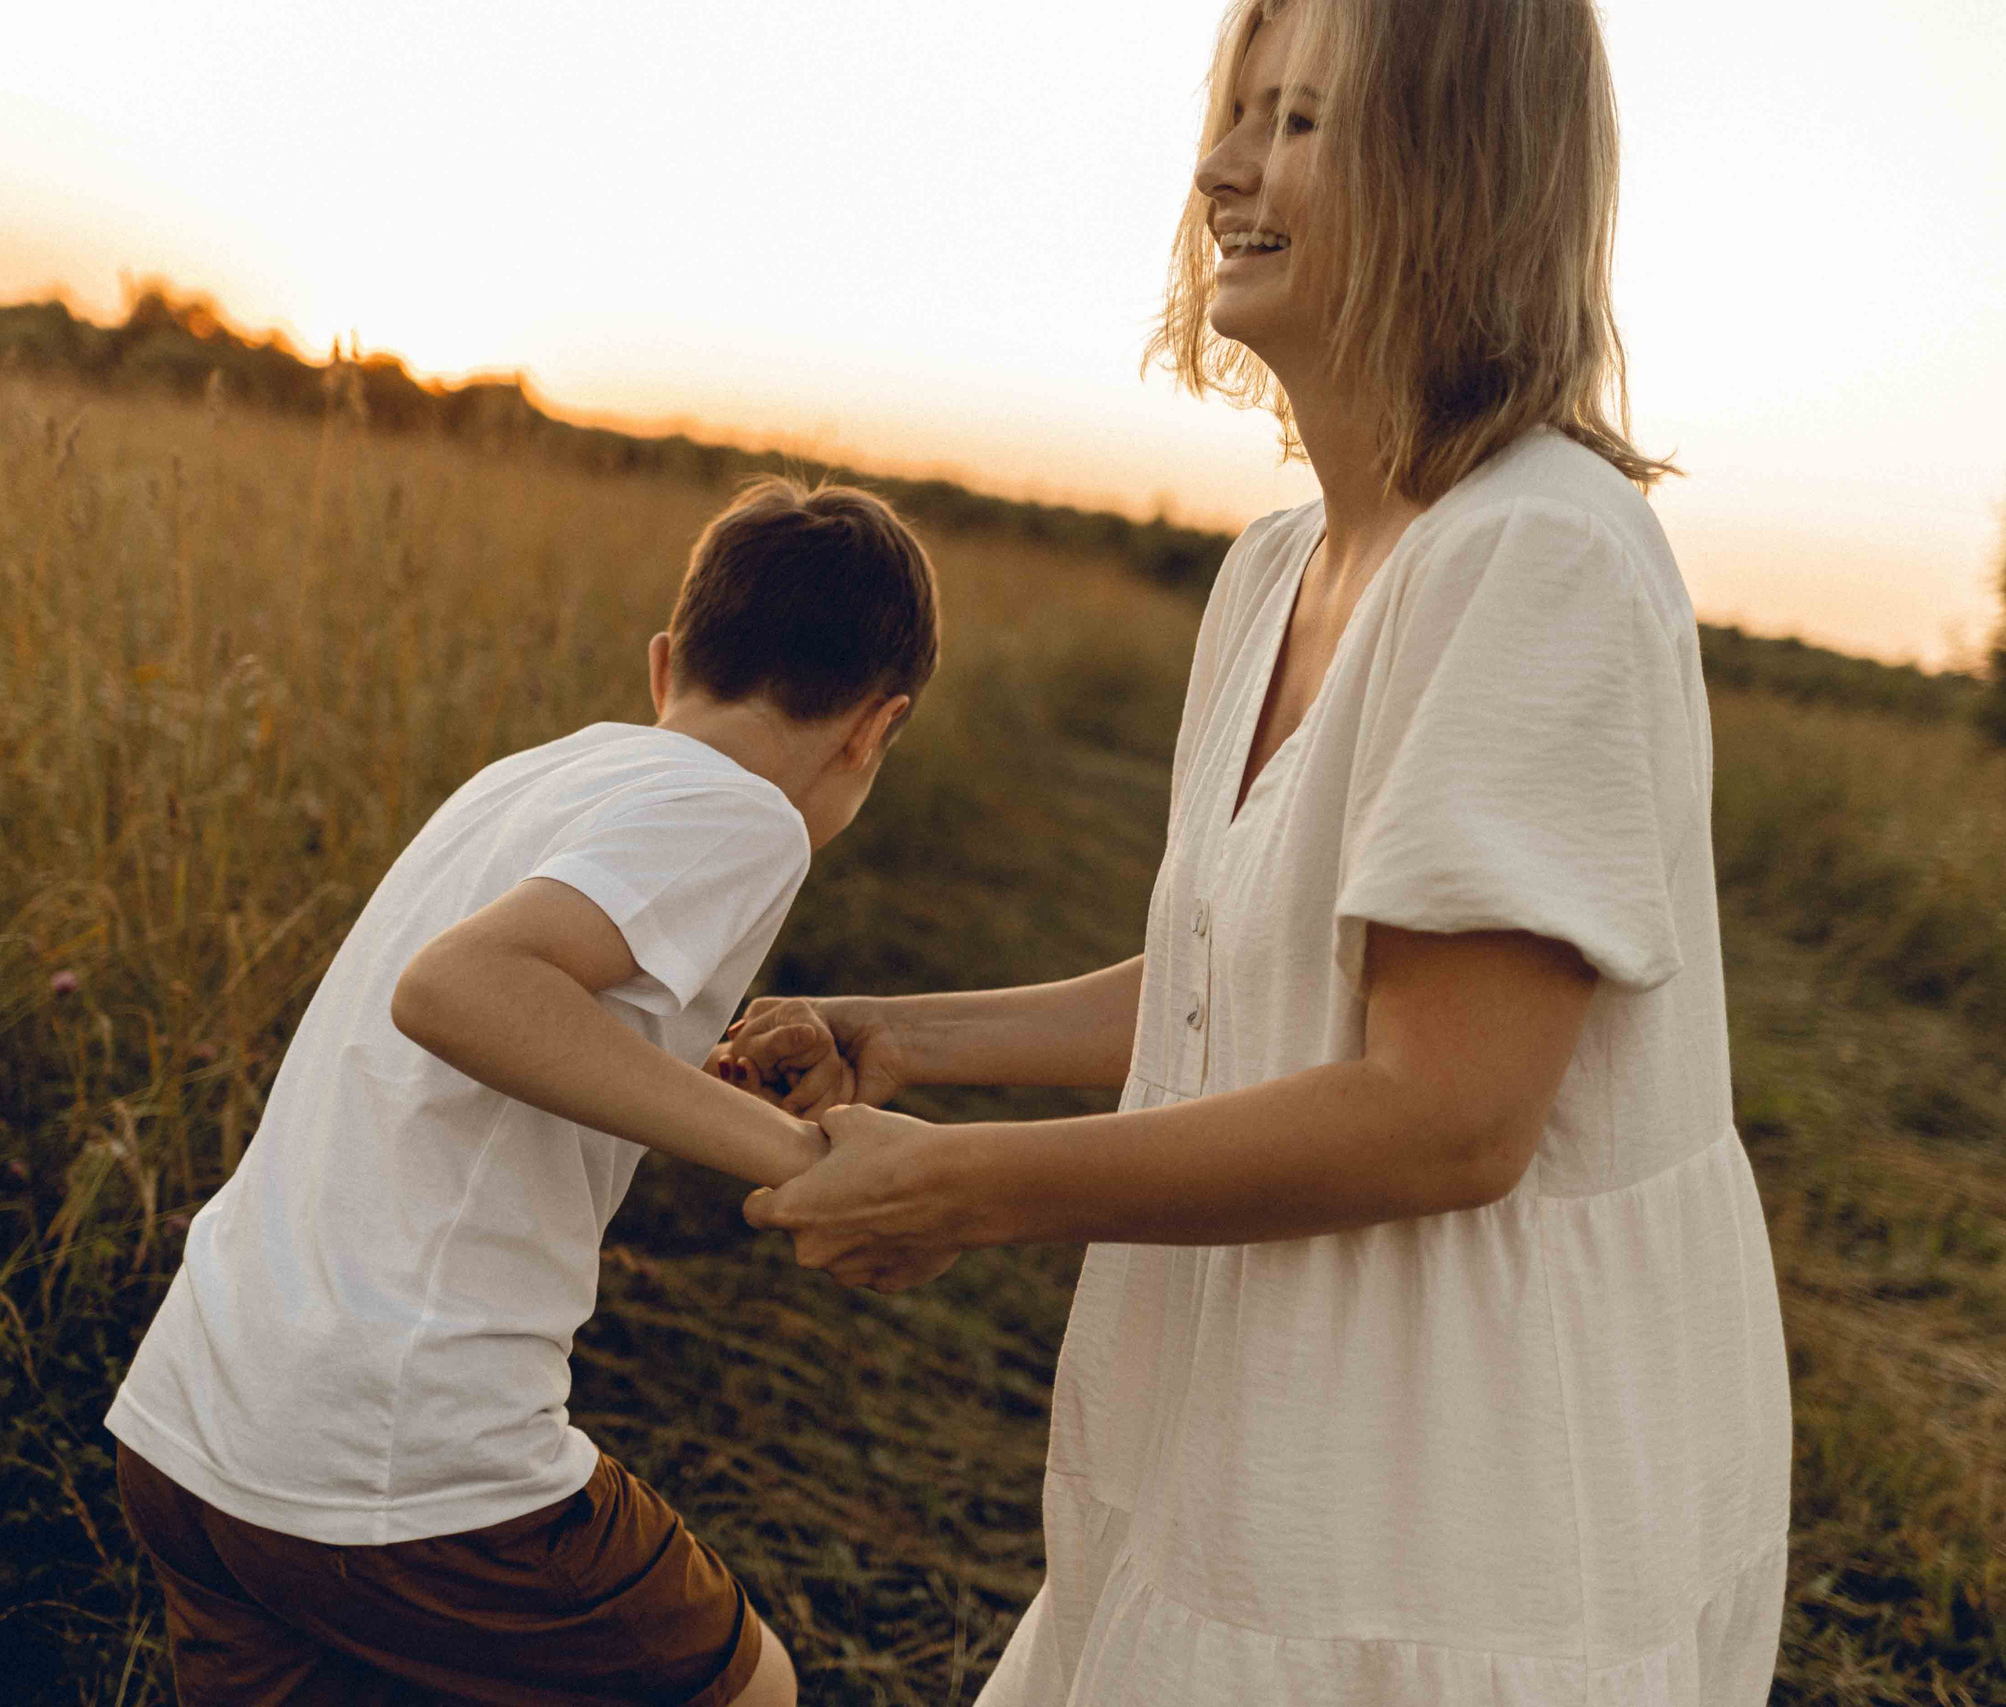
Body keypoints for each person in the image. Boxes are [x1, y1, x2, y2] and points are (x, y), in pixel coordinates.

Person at [712, 1, 1793, 1701]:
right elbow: (1255, 973)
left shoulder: (1545, 557)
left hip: (1450, 1474)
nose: (1222, 167)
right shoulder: (1276, 566)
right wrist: (900, 1034)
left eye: (1298, 122)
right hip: (1257, 1403)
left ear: (1463, 173)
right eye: (1237, 115)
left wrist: (967, 1183)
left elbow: (1447, 1111)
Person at [103, 476, 941, 1707]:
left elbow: (508, 1020)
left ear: (664, 666)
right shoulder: (747, 813)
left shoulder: (536, 776)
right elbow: (460, 988)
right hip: (398, 1449)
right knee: (752, 1693)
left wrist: (672, 1074)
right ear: (876, 727)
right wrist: (800, 1159)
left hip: (196, 1415)